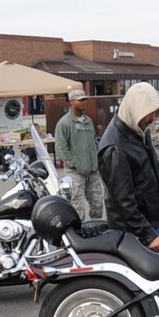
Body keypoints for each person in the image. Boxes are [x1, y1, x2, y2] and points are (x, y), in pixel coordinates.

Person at [99, 82, 159, 250]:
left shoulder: (137, 130)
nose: (153, 119)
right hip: (135, 235)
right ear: (136, 111)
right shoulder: (116, 148)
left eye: (155, 113)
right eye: (149, 114)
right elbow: (123, 202)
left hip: (149, 225)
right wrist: (148, 235)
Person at [54, 94, 106, 222]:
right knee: (78, 205)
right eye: (80, 100)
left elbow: (94, 141)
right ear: (71, 102)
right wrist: (74, 163)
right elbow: (61, 148)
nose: (83, 102)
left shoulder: (88, 121)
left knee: (98, 202)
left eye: (84, 100)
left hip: (92, 170)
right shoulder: (64, 123)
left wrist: (96, 160)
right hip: (75, 172)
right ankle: (79, 229)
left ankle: (96, 225)